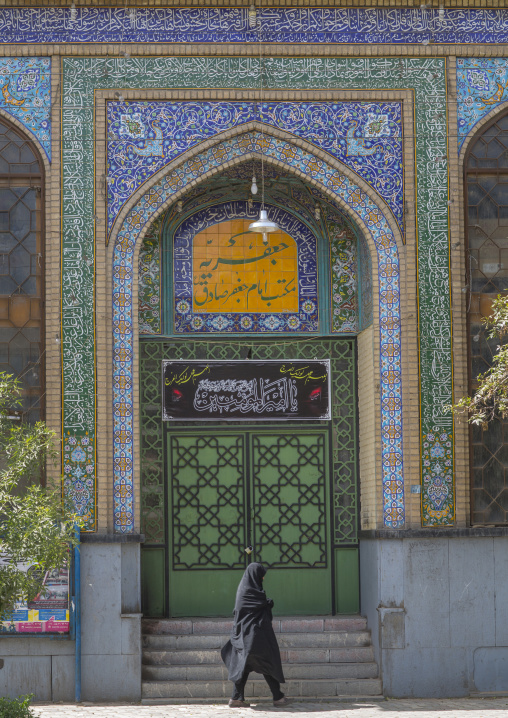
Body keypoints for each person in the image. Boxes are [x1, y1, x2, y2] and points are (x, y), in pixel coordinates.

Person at [221, 562, 289, 708]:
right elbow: (259, 605)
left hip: (244, 636)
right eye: (261, 576)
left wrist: (266, 603)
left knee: (244, 665)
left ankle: (236, 698)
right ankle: (278, 697)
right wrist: (267, 603)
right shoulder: (251, 593)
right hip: (253, 636)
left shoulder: (245, 589)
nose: (263, 579)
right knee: (266, 661)